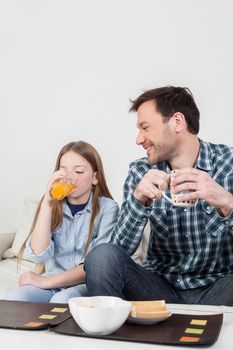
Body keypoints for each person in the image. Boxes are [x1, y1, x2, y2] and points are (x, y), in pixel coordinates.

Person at [84, 86, 233, 305]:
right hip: (158, 291)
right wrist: (138, 201)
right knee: (101, 257)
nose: (138, 139)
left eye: (145, 128)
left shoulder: (228, 164)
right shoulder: (140, 172)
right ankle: (116, 333)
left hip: (219, 289)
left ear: (177, 122)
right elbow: (119, 251)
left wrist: (227, 201)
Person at [6, 141, 119, 303]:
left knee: (62, 300)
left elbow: (96, 266)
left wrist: (44, 281)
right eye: (63, 171)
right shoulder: (51, 205)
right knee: (14, 298)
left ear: (95, 177)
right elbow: (39, 254)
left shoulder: (107, 209)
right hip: (51, 282)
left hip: (84, 284)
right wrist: (47, 203)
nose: (70, 177)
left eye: (79, 171)